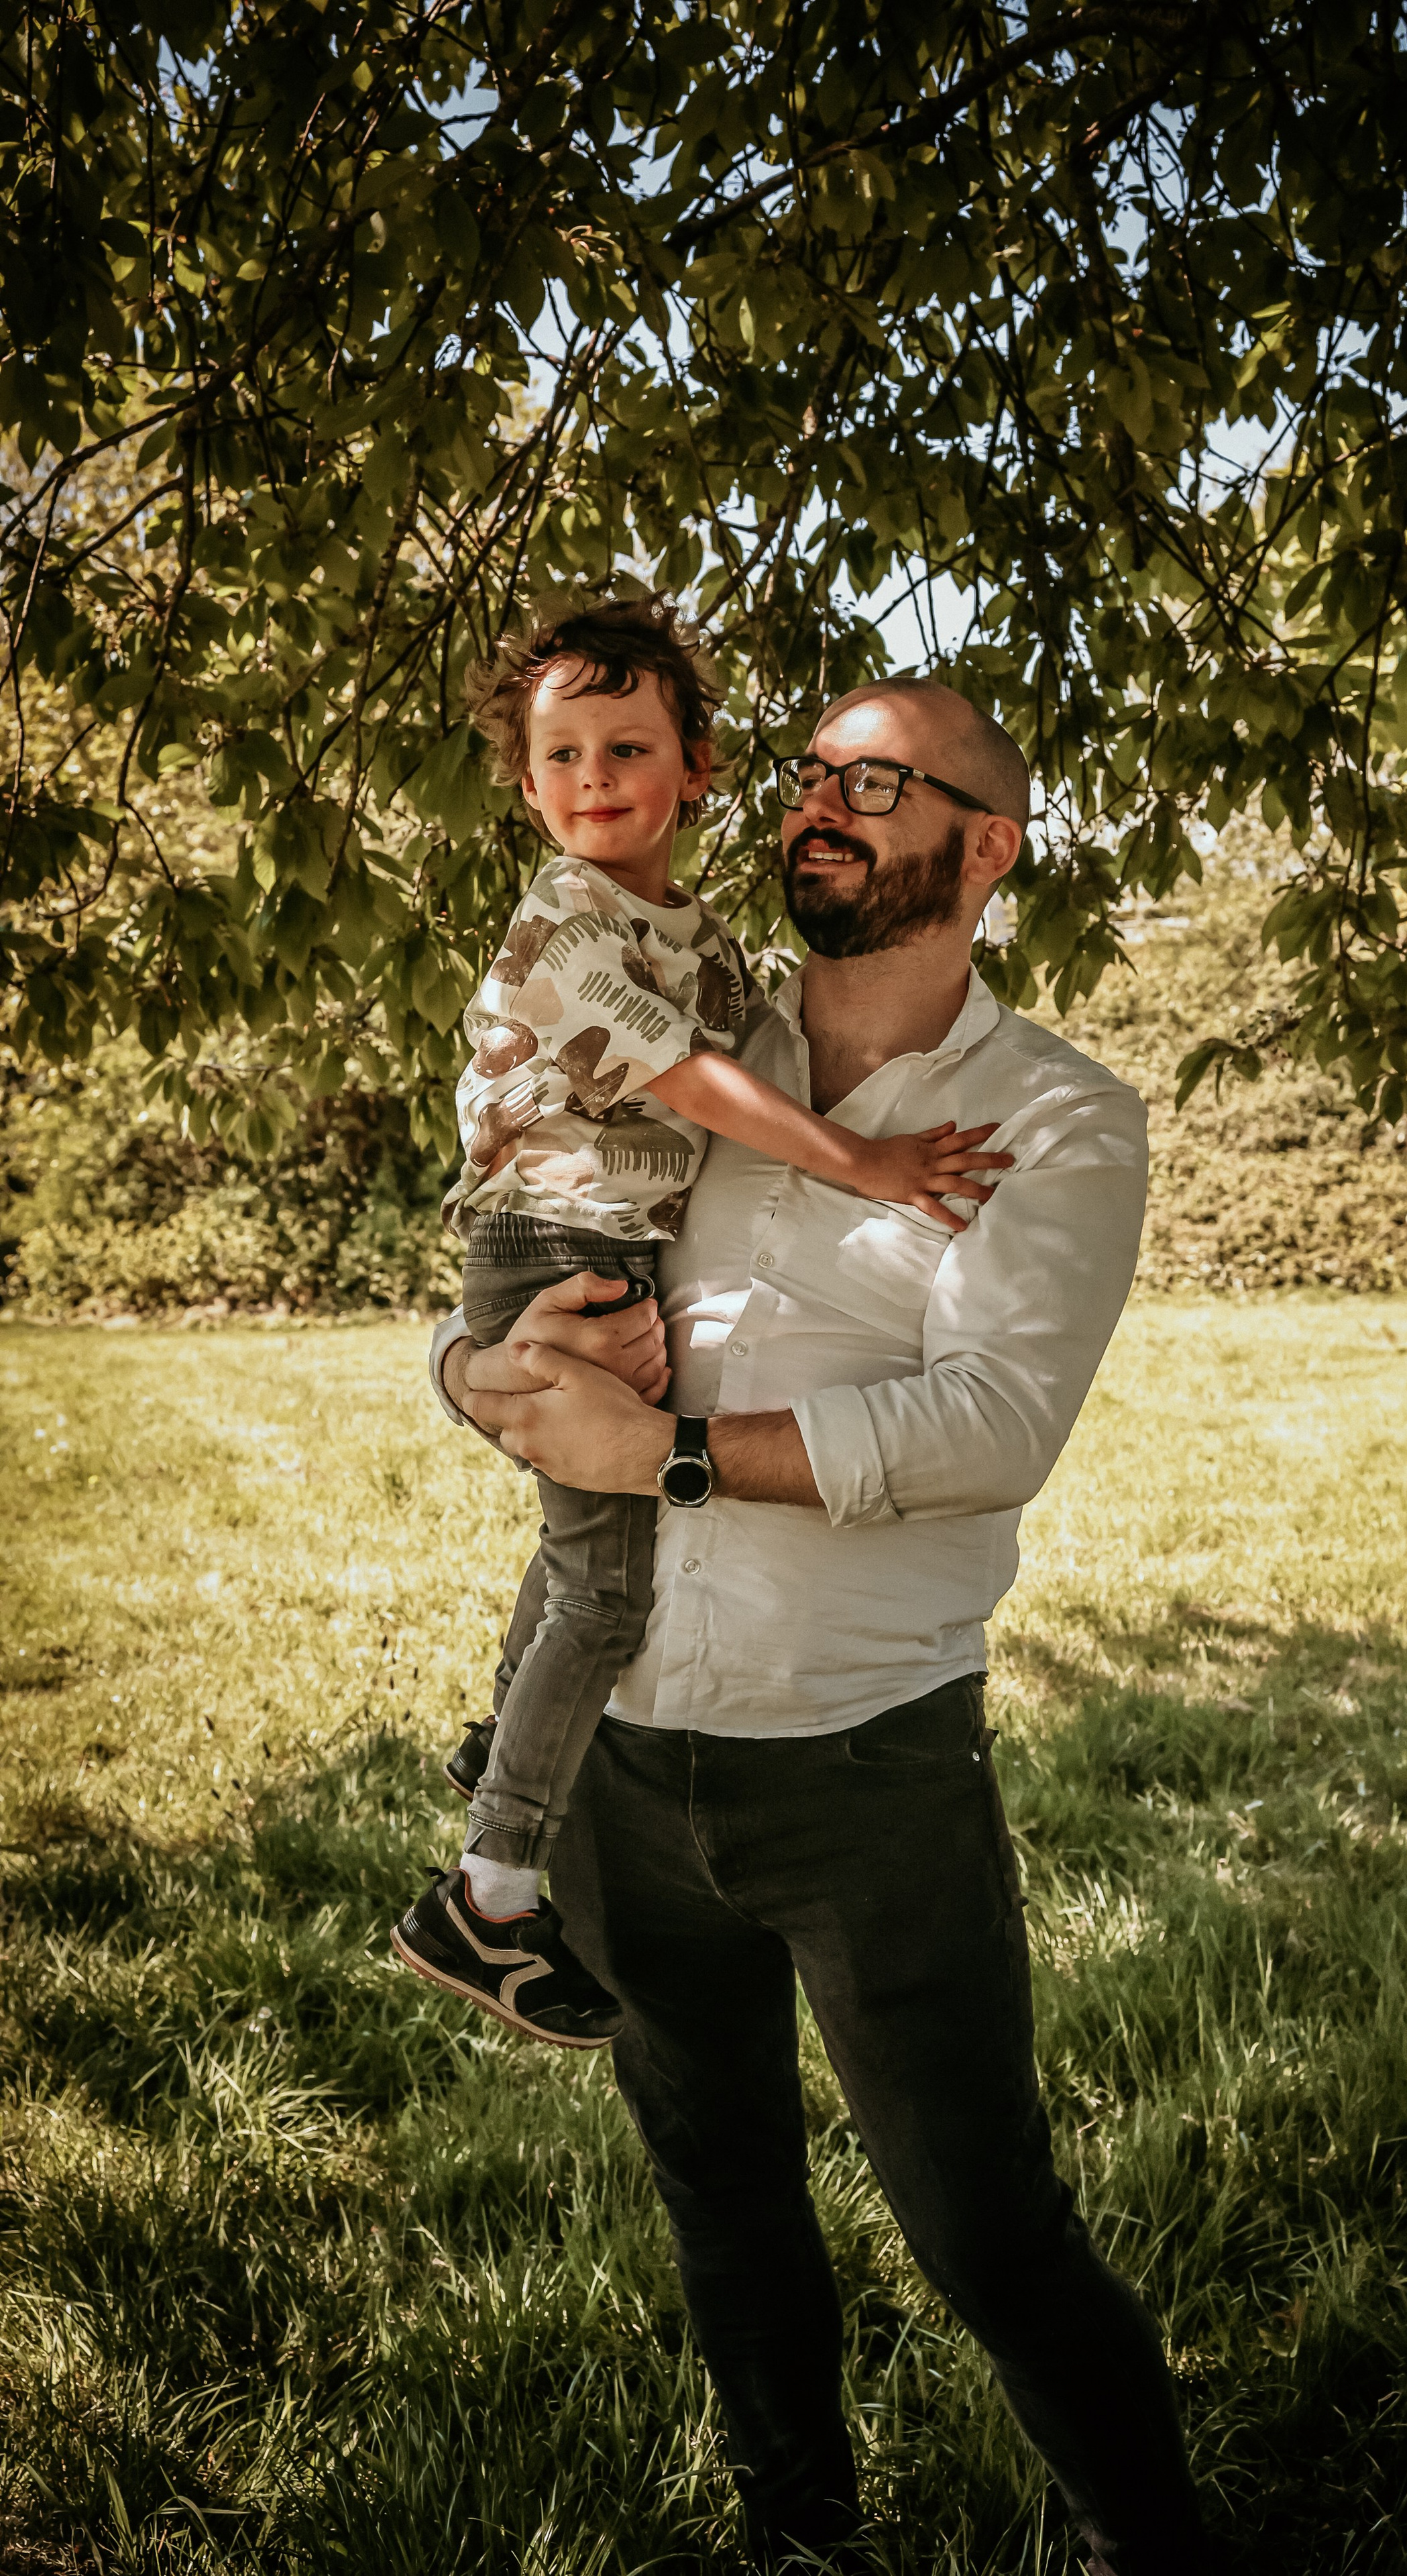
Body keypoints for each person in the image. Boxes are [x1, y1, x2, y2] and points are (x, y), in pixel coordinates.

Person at [427, 673, 1215, 2573]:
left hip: (865, 1770)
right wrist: (471, 1368)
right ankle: (800, 2538)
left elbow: (990, 1426)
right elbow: (517, 1237)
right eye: (805, 776)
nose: (815, 806)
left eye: (873, 783)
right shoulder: (699, 1037)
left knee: (985, 2229)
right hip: (624, 1762)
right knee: (722, 2200)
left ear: (986, 844)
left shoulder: (1055, 1116)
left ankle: (1153, 2544)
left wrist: (672, 1453)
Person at [390, 596, 1010, 2046]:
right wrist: (864, 1163)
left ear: (697, 769)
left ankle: (504, 1737)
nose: (593, 777)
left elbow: (778, 1043)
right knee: (606, 1589)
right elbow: (688, 1081)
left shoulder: (707, 940)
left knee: (584, 1556)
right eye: (561, 755)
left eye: (627, 747)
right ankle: (489, 1890)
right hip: (552, 1250)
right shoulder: (563, 923)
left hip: (616, 1249)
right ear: (525, 784)